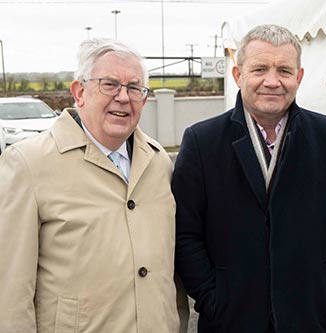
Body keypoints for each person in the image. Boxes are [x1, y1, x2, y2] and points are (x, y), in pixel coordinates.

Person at [172, 24, 326, 332]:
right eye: (259, 69)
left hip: (311, 318)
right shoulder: (202, 141)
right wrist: (211, 297)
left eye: (284, 71)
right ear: (238, 75)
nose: (272, 81)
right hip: (230, 320)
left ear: (298, 78)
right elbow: (185, 234)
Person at [0, 38, 187, 332]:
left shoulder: (157, 161)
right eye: (109, 84)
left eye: (134, 88)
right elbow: (9, 292)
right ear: (80, 92)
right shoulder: (28, 164)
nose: (123, 97)